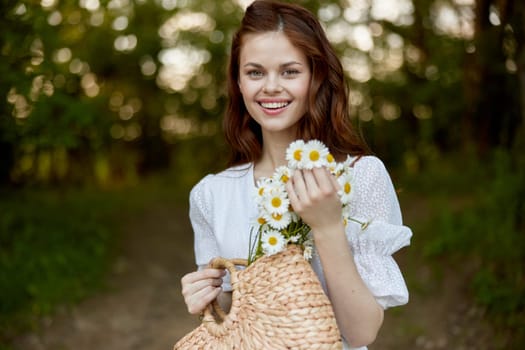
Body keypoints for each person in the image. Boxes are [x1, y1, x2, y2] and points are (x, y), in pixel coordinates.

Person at [180, 1, 412, 349]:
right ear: (238, 83)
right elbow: (233, 323)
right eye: (255, 72)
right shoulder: (211, 195)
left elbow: (362, 332)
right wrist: (209, 300)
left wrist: (328, 226)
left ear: (316, 76)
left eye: (290, 71)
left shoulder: (360, 176)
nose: (270, 87)